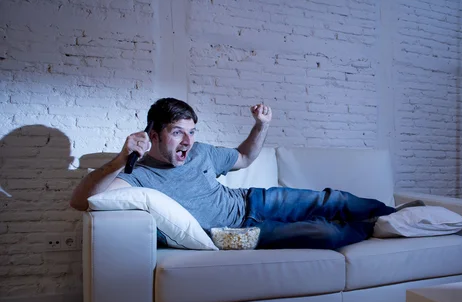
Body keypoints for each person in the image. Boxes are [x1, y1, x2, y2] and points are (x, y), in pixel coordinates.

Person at [70, 97, 398, 250]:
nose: (188, 141)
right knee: (324, 234)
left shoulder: (200, 151)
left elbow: (243, 157)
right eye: (177, 133)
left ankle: (395, 217)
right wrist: (119, 159)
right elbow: (81, 201)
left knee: (332, 200)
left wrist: (261, 125)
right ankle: (374, 228)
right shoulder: (137, 173)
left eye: (192, 131)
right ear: (153, 135)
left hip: (251, 202)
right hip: (225, 236)